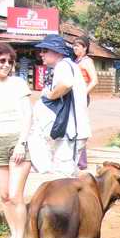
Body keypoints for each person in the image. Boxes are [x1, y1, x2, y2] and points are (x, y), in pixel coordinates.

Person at [29, 35, 91, 177]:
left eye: (45, 50)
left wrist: (51, 95)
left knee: (63, 178)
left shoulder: (63, 65)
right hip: (69, 133)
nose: (41, 54)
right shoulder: (67, 66)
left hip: (71, 133)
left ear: (57, 52)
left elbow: (67, 84)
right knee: (65, 176)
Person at [0, 43, 32, 238]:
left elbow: (28, 116)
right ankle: (13, 234)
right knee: (4, 196)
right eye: (2, 61)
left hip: (17, 143)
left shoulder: (19, 84)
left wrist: (21, 143)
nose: (7, 65)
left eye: (10, 62)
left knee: (16, 195)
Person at [73, 36, 98, 170]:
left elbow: (94, 80)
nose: (75, 48)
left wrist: (83, 93)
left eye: (78, 46)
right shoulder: (76, 60)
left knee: (79, 129)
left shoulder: (87, 62)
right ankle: (76, 159)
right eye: (74, 45)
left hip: (81, 98)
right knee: (74, 128)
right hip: (75, 97)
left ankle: (81, 162)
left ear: (85, 48)